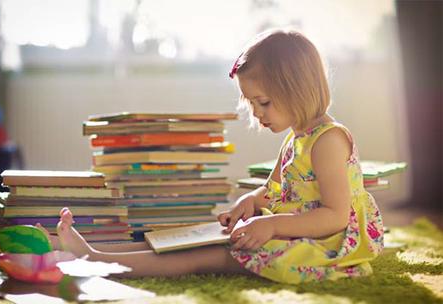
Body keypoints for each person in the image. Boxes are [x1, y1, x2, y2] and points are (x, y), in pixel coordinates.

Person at [43, 29, 384, 284]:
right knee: (191, 239)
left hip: (324, 246)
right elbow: (273, 190)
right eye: (251, 104)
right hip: (294, 230)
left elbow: (336, 217)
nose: (257, 114)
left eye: (263, 102)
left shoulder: (328, 141)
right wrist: (249, 203)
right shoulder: (297, 139)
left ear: (298, 89)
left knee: (211, 255)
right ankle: (97, 252)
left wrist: (273, 224)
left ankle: (100, 262)